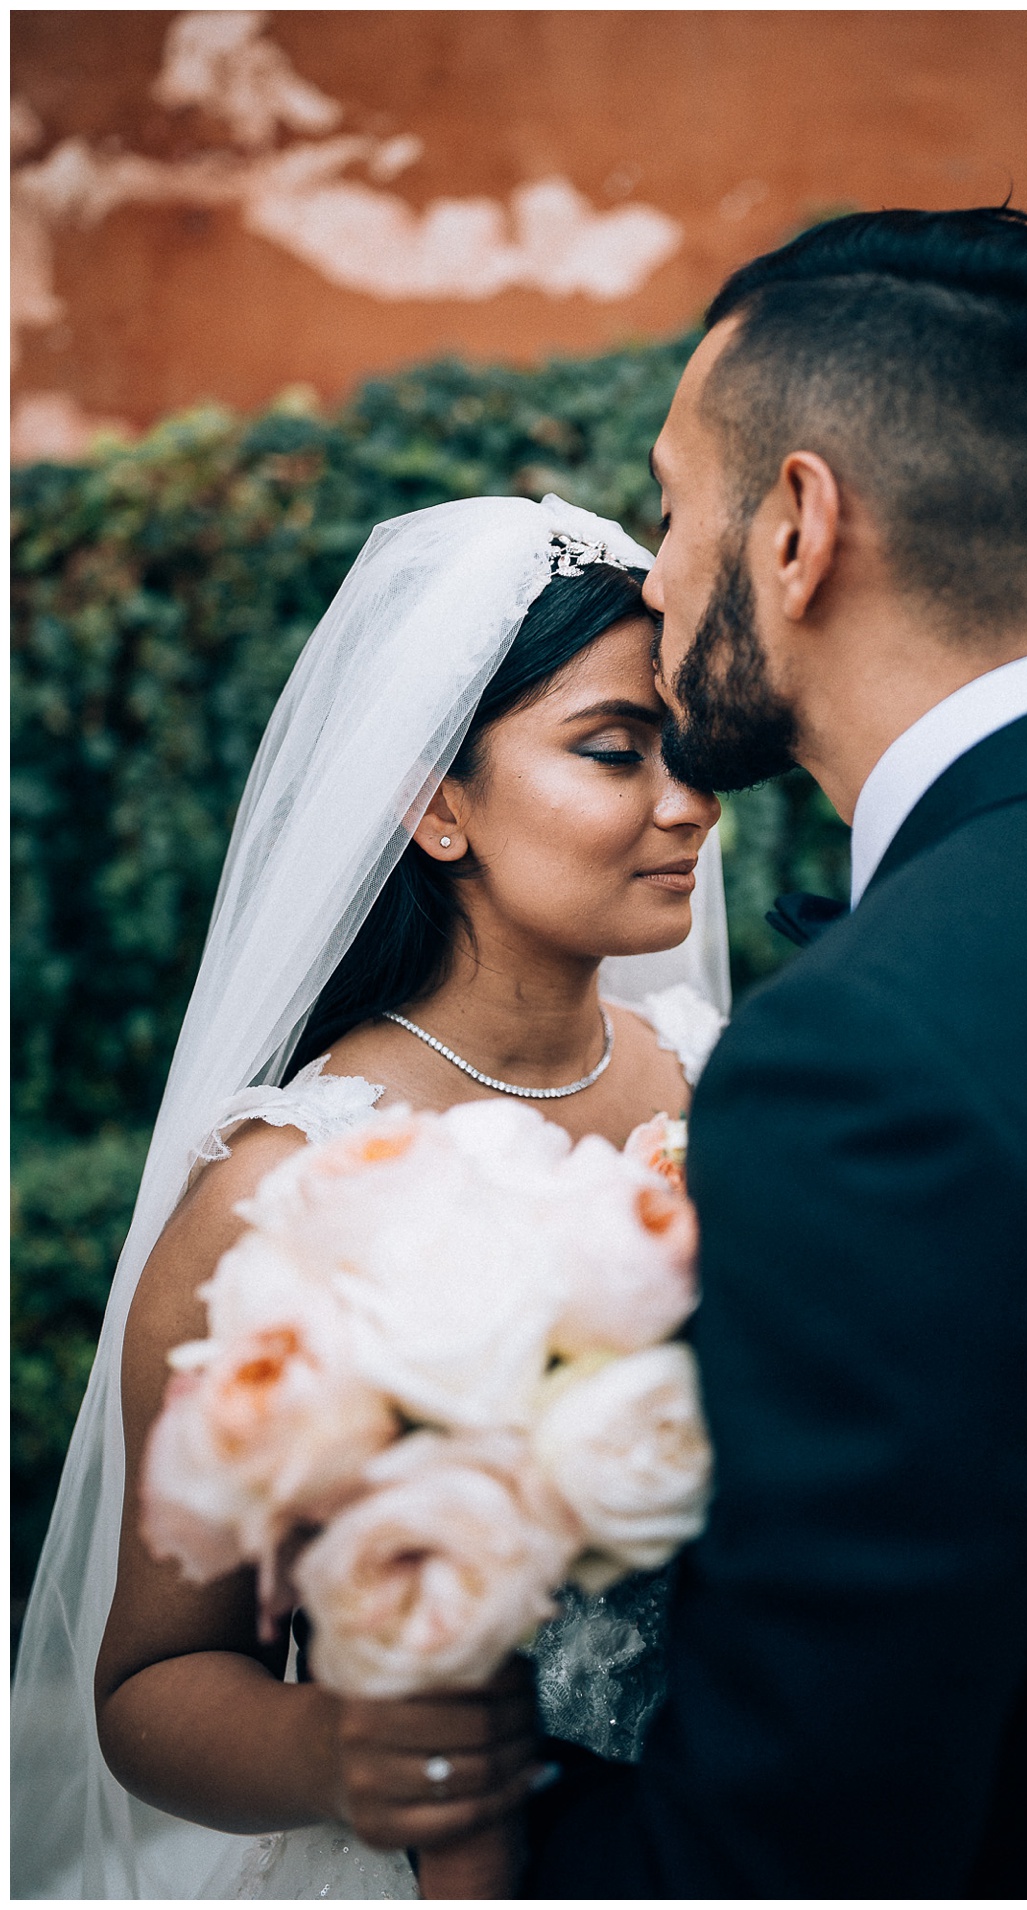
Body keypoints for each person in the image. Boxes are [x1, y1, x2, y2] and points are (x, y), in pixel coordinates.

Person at [448, 208, 1027, 1896]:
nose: (655, 569)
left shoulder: (862, 1058)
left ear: (800, 527)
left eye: (675, 509)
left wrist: (477, 1829)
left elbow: (797, 1845)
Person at [9, 495, 730, 1900]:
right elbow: (155, 1675)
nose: (687, 801)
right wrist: (345, 1747)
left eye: (690, 750)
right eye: (614, 751)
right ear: (437, 801)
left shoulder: (729, 1087)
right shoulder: (286, 1189)